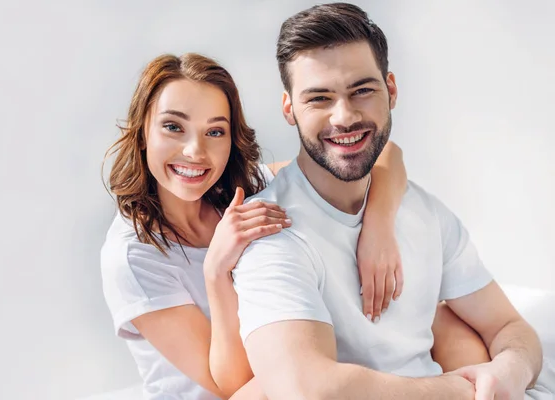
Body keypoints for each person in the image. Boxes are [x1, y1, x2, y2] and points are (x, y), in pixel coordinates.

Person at [100, 53, 489, 400]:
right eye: (173, 127)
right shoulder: (133, 256)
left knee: (431, 310)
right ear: (142, 133)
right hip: (245, 391)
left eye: (214, 131)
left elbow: (382, 154)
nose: (194, 151)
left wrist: (378, 229)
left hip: (291, 367)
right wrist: (216, 271)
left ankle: (483, 388)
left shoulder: (246, 188)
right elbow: (232, 384)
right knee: (306, 370)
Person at [231, 3, 554, 399]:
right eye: (319, 98)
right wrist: (459, 391)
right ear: (289, 109)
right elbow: (308, 392)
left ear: (392, 91)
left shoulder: (426, 215)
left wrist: (508, 370)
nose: (344, 117)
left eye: (362, 90)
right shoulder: (270, 233)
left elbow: (510, 328)